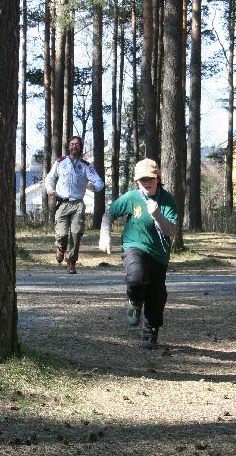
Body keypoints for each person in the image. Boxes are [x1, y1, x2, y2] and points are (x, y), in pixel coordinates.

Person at [98, 158, 178, 350]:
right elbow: (109, 214)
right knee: (136, 277)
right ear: (137, 181)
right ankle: (134, 302)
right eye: (143, 180)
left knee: (157, 297)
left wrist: (157, 214)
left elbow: (172, 231)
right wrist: (105, 235)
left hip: (159, 255)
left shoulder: (167, 200)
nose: (147, 183)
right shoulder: (131, 197)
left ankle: (150, 331)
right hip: (134, 246)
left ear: (158, 178)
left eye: (150, 178)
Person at [45, 136, 105, 274]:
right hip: (62, 203)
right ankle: (61, 248)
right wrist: (49, 188)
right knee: (62, 234)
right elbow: (50, 177)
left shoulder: (85, 166)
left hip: (78, 204)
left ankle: (71, 262)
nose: (74, 147)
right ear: (68, 146)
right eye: (72, 144)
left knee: (76, 233)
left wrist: (92, 186)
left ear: (80, 147)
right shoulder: (60, 162)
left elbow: (99, 183)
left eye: (77, 144)